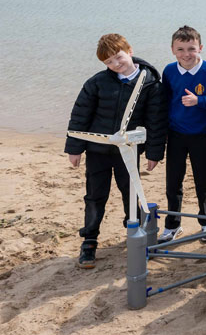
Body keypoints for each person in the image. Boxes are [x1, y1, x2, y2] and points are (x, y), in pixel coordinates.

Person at [64, 33, 166, 269]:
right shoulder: (97, 82)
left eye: (118, 57)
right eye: (109, 62)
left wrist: (154, 152)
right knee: (95, 195)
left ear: (129, 50)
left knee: (131, 193)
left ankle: (134, 233)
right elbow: (80, 115)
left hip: (128, 152)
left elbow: (156, 121)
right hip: (97, 150)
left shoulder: (150, 83)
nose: (116, 64)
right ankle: (89, 241)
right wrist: (74, 148)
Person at [159, 25, 206, 243]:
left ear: (200, 48)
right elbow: (164, 102)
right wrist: (162, 132)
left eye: (191, 49)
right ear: (173, 50)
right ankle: (172, 225)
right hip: (175, 135)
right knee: (173, 183)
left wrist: (199, 100)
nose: (186, 54)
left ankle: (205, 223)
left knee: (203, 182)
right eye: (181, 49)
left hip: (202, 136)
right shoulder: (168, 71)